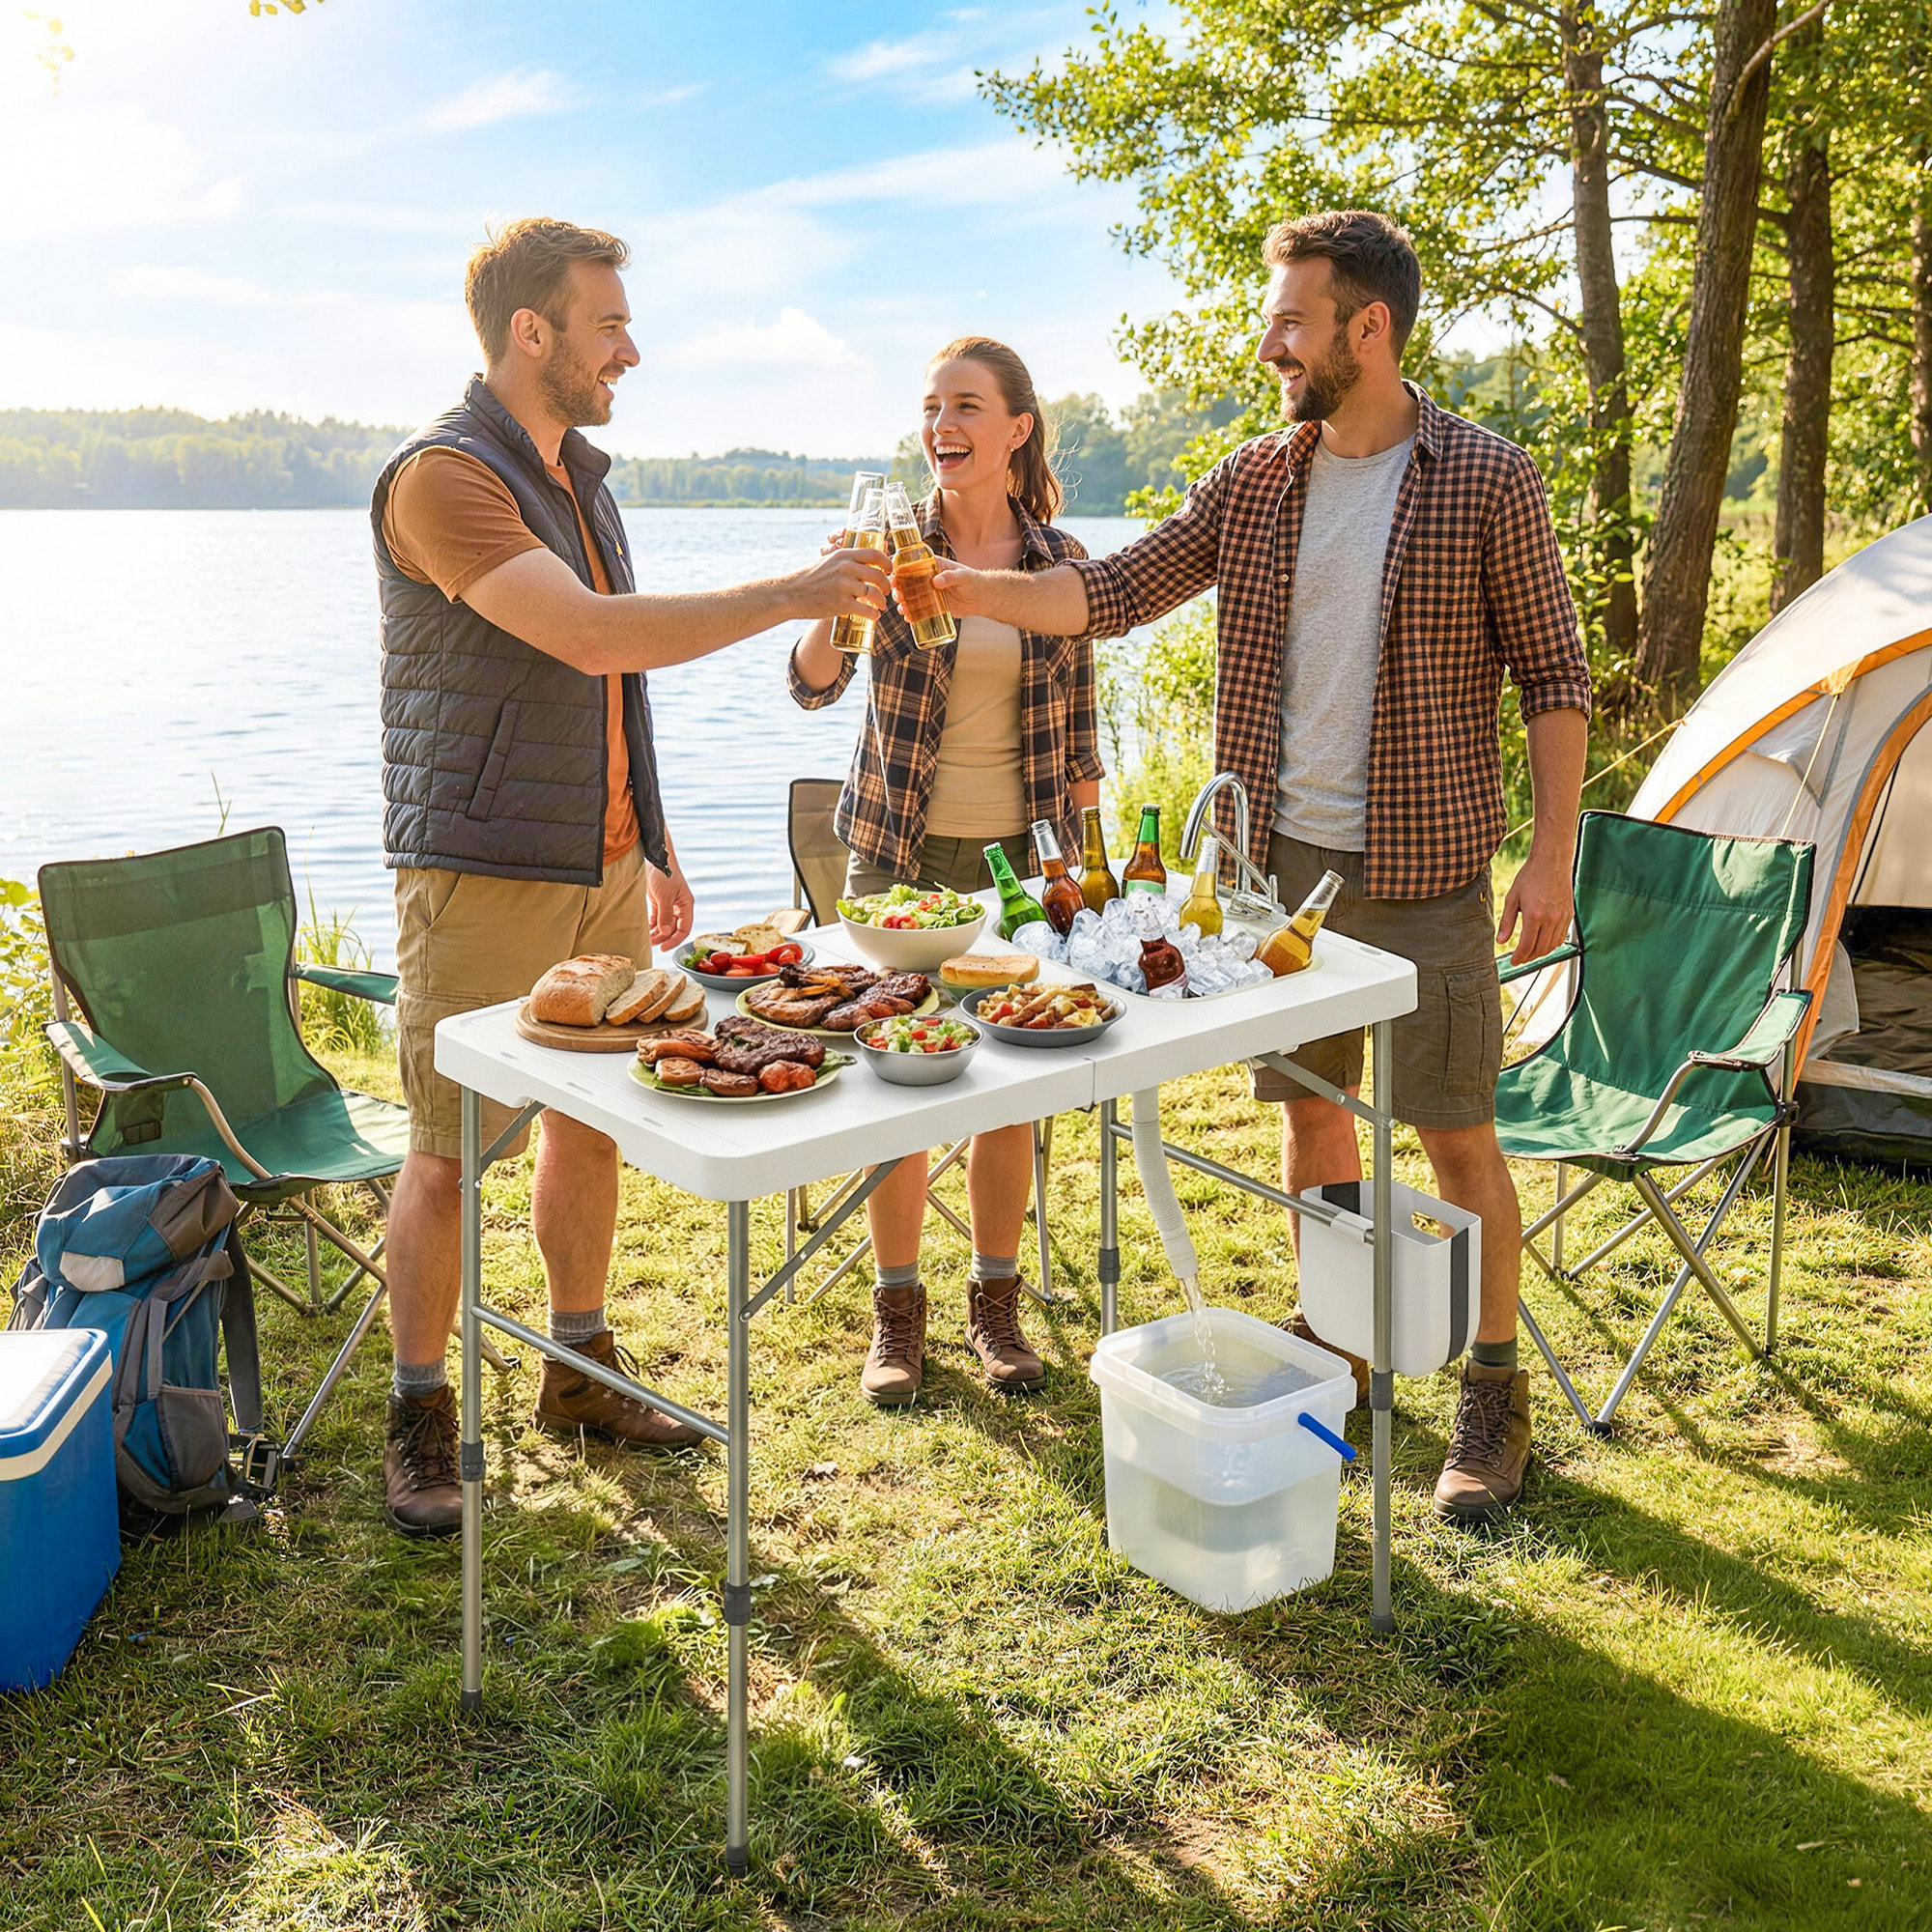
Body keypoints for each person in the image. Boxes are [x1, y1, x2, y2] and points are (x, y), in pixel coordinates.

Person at [914, 213, 1591, 1525]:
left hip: (1425, 868)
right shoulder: (1255, 481)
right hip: (1275, 879)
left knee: (1454, 1136)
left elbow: (1555, 680)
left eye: (1291, 320)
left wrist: (1551, 849)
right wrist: (957, 587)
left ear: (1367, 328)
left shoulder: (1488, 479)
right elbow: (1102, 594)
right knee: (1311, 1115)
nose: (1269, 343)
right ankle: (1342, 1337)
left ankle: (1493, 1396)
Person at [370, 217, 889, 1537]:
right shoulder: (444, 478)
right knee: (447, 1147)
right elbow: (590, 632)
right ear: (529, 332)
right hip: (481, 870)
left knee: (589, 1124)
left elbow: (618, 682)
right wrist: (796, 589)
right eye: (609, 327)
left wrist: (652, 840)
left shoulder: (581, 479)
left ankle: (578, 1369)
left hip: (599, 861)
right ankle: (420, 1410)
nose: (633, 352)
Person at [787, 337, 1105, 1406]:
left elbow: (1081, 740)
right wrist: (834, 601)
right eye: (930, 408)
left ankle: (995, 1300)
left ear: (1015, 428)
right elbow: (811, 684)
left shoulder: (1055, 562)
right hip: (895, 849)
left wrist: (1092, 867)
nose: (941, 427)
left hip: (1016, 860)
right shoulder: (885, 546)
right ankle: (895, 1308)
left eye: (964, 405)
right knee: (899, 1076)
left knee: (1006, 1083)